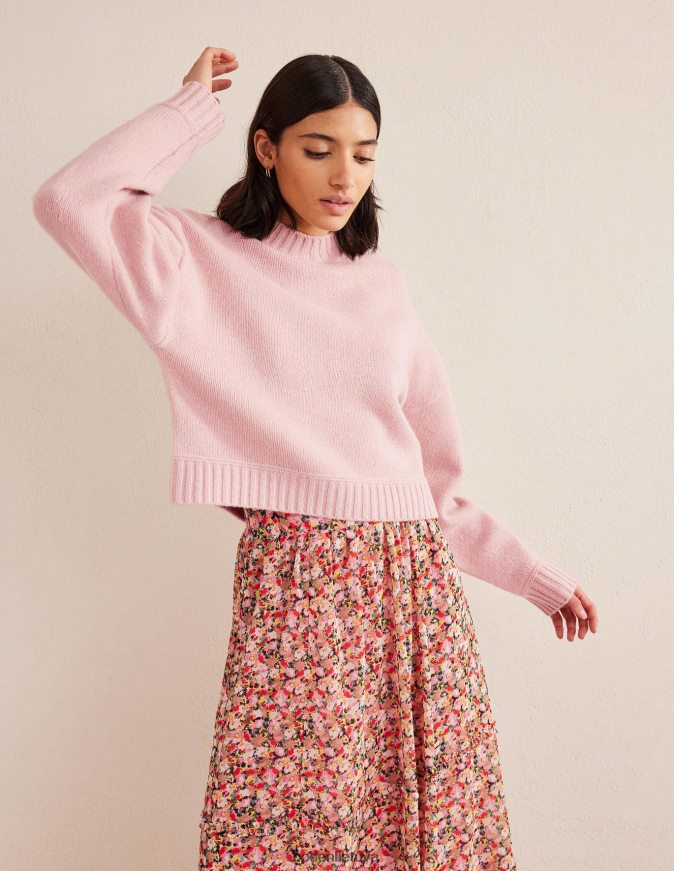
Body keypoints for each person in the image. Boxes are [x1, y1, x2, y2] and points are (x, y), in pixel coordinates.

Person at [32, 45, 598, 870]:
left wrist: (537, 577)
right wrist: (188, 110)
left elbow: (433, 491)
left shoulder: (382, 286)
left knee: (430, 828)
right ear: (266, 147)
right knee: (286, 832)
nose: (344, 177)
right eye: (318, 148)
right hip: (297, 584)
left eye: (364, 155)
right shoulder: (193, 261)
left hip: (414, 595)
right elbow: (69, 200)